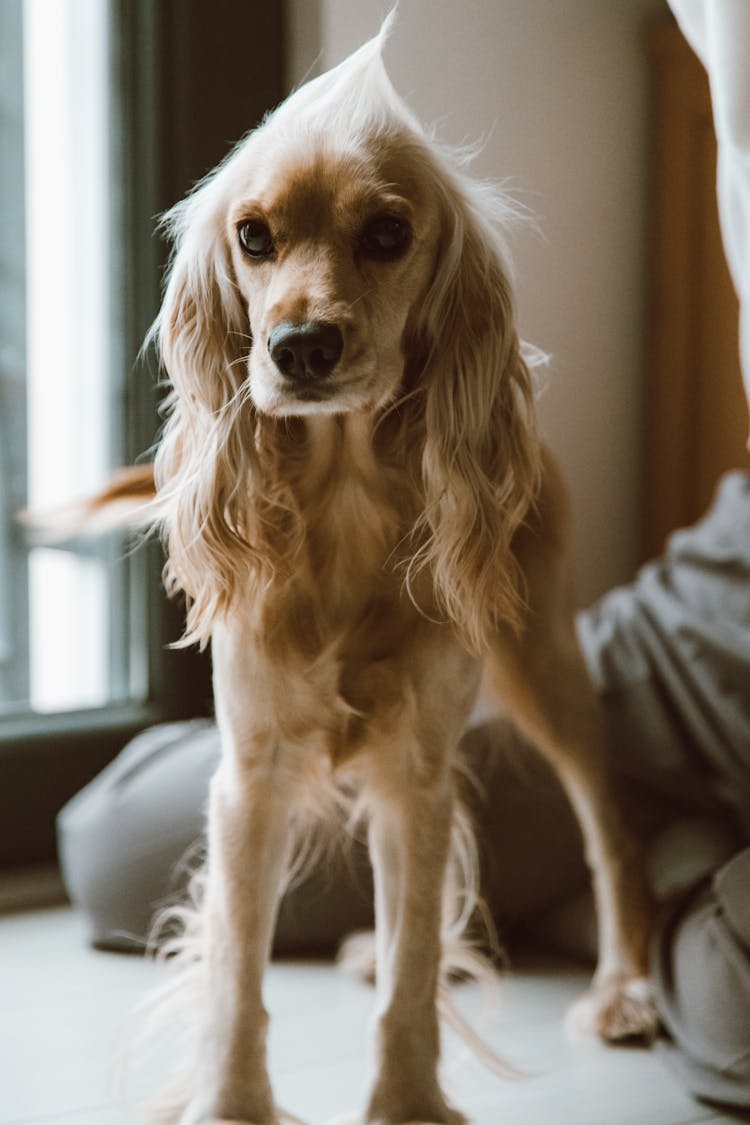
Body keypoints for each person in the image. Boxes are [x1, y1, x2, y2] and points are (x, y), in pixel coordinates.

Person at [58, 1, 750, 1112]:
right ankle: (239, 1066)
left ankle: (598, 913)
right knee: (118, 845)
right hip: (676, 618)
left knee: (453, 765)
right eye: (261, 242)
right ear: (225, 286)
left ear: (438, 288)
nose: (308, 312)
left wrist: (406, 1074)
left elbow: (423, 790)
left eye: (380, 239)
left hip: (500, 602)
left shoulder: (487, 460)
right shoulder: (250, 362)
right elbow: (253, 794)